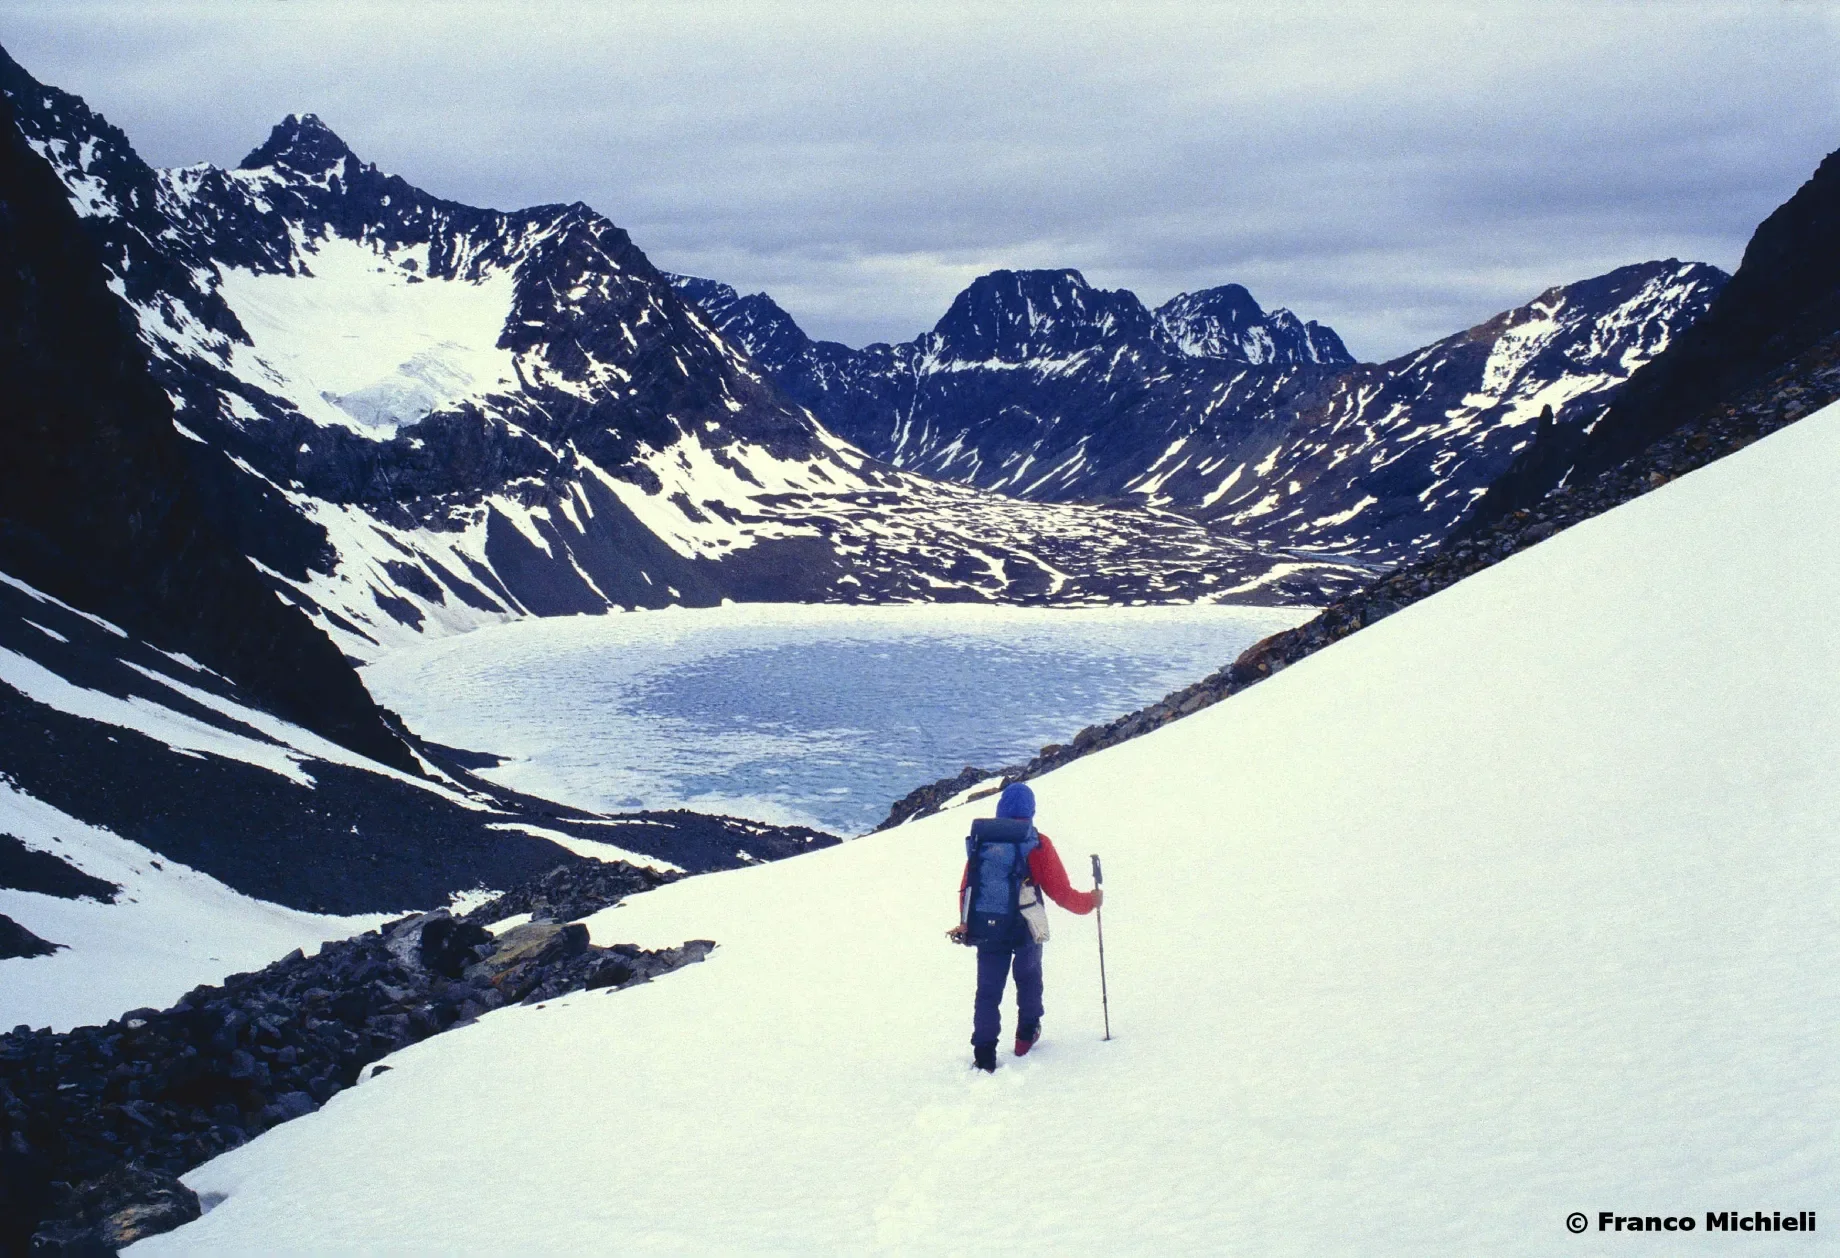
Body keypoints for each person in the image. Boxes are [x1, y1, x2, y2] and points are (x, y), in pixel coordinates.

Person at [946, 782, 1102, 1072]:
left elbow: (968, 886)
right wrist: (1090, 902)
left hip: (986, 927)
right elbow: (1062, 894)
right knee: (1029, 978)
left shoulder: (984, 842)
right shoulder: (1037, 842)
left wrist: (967, 923)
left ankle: (984, 1055)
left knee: (988, 991)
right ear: (1031, 811)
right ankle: (1025, 1036)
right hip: (1025, 928)